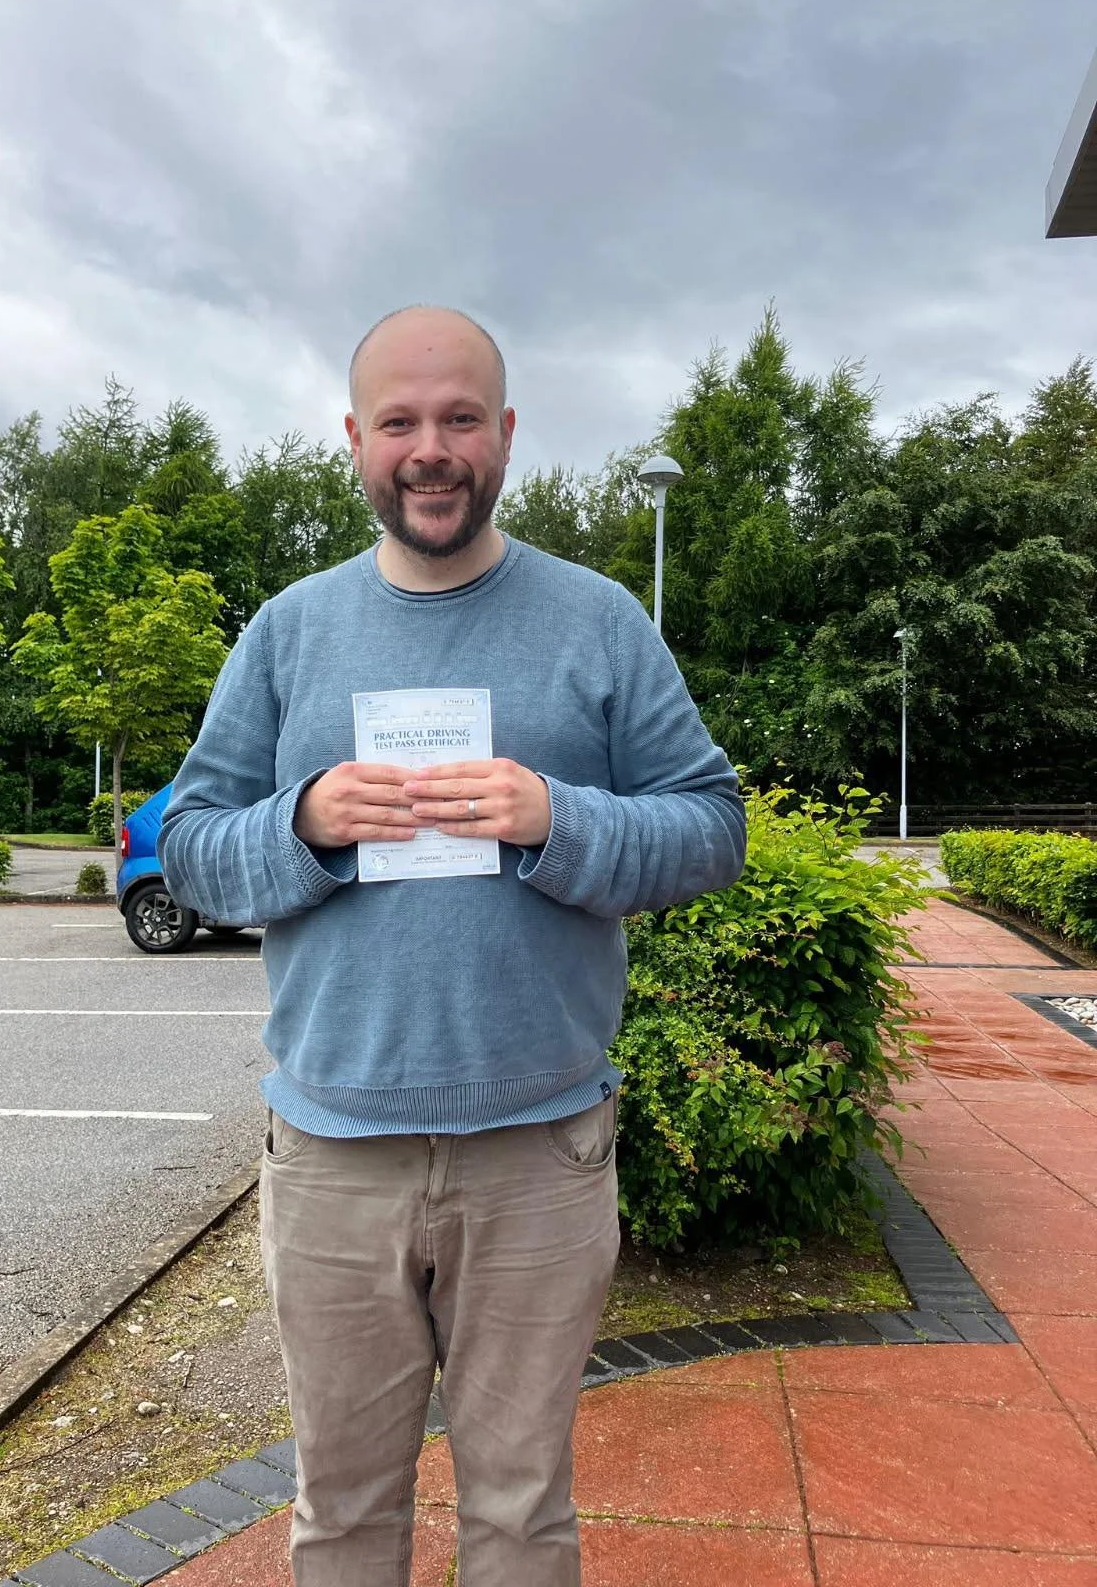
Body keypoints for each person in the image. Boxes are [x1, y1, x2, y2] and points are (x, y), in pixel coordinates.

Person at [158, 305, 747, 1586]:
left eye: (461, 418)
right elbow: (189, 848)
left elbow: (712, 828)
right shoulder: (288, 631)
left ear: (508, 434)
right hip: (330, 1156)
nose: (434, 450)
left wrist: (561, 819)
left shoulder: (597, 622)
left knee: (524, 1512)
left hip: (541, 1150)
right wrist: (303, 824)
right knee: (340, 1512)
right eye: (403, 422)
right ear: (356, 440)